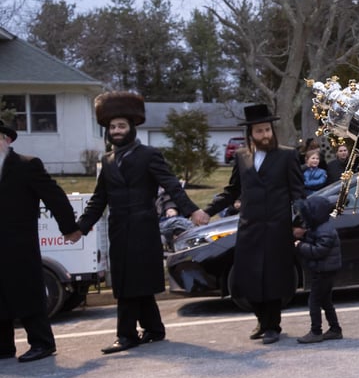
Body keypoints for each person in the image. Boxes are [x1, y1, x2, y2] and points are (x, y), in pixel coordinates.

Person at [77, 91, 210, 354]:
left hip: (143, 228)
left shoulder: (149, 154)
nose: (116, 131)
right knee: (131, 281)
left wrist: (192, 211)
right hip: (119, 229)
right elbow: (99, 198)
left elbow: (170, 184)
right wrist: (79, 227)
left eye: (121, 126)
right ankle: (154, 329)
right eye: (112, 127)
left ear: (131, 128)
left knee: (130, 284)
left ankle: (126, 336)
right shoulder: (107, 160)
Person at [203, 104, 305, 344]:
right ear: (251, 134)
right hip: (250, 228)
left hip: (277, 228)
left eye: (267, 130)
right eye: (259, 131)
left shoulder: (287, 155)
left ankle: (273, 326)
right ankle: (261, 320)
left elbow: (298, 193)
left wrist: (299, 221)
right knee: (250, 278)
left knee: (274, 277)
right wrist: (208, 211)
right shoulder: (241, 157)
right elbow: (231, 191)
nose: (265, 135)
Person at [0, 121, 81, 363]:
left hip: (19, 243)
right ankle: (4, 347)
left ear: (7, 140)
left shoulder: (26, 165)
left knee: (27, 291)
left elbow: (54, 196)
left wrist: (69, 227)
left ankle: (42, 343)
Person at [292, 193, 343, 344]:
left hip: (324, 271)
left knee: (314, 301)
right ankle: (335, 329)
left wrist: (300, 245)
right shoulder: (321, 227)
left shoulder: (325, 230)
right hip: (324, 270)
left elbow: (318, 251)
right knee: (326, 301)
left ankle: (316, 331)